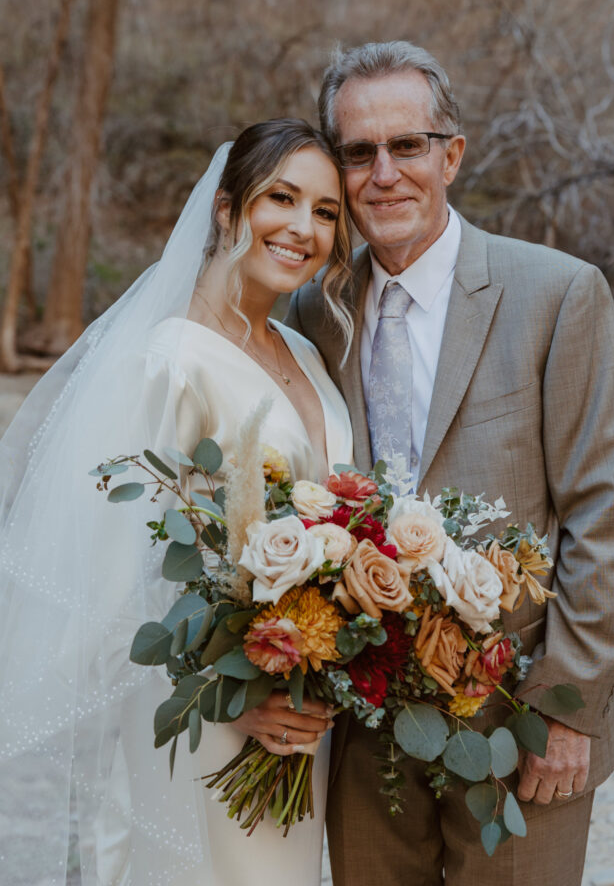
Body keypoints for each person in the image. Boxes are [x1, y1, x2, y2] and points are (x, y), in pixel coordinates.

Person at [287, 41, 614, 886]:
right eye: (358, 152)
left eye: (406, 145)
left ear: (451, 154)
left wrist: (568, 712)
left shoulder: (557, 294)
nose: (383, 174)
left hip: (521, 715)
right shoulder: (312, 310)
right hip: (364, 720)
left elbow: (608, 516)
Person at [0, 119, 354, 885]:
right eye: (281, 199)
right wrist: (230, 696)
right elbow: (104, 589)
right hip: (206, 728)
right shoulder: (167, 360)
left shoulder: (300, 349)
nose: (303, 228)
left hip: (296, 720)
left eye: (325, 212)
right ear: (226, 210)